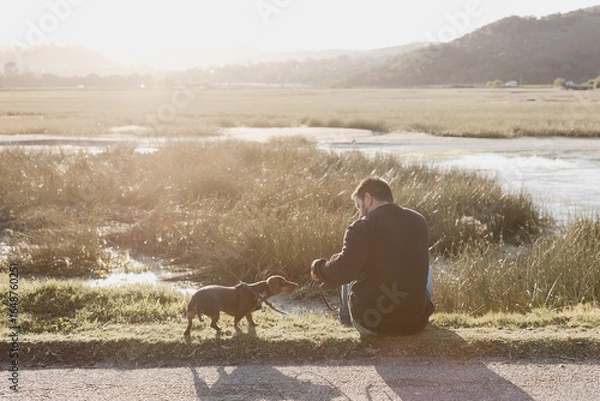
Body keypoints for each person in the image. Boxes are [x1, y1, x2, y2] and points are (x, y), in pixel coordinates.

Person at [310, 176, 434, 336]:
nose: (359, 213)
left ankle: (344, 319)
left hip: (372, 324)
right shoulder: (419, 221)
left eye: (358, 206)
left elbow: (343, 272)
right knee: (427, 270)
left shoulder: (362, 227)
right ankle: (411, 313)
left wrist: (318, 267)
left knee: (351, 267)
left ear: (368, 199)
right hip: (416, 324)